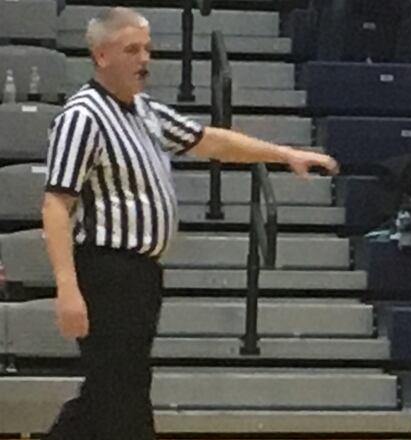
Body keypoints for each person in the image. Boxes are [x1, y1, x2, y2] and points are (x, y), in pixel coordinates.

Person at [41, 8, 338, 440]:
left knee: (117, 388)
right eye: (132, 49)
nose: (145, 59)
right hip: (106, 270)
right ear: (101, 55)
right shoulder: (82, 116)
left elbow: (209, 139)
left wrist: (284, 154)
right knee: (119, 390)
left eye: (147, 49)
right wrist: (67, 288)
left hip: (140, 273)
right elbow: (55, 203)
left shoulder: (143, 111)